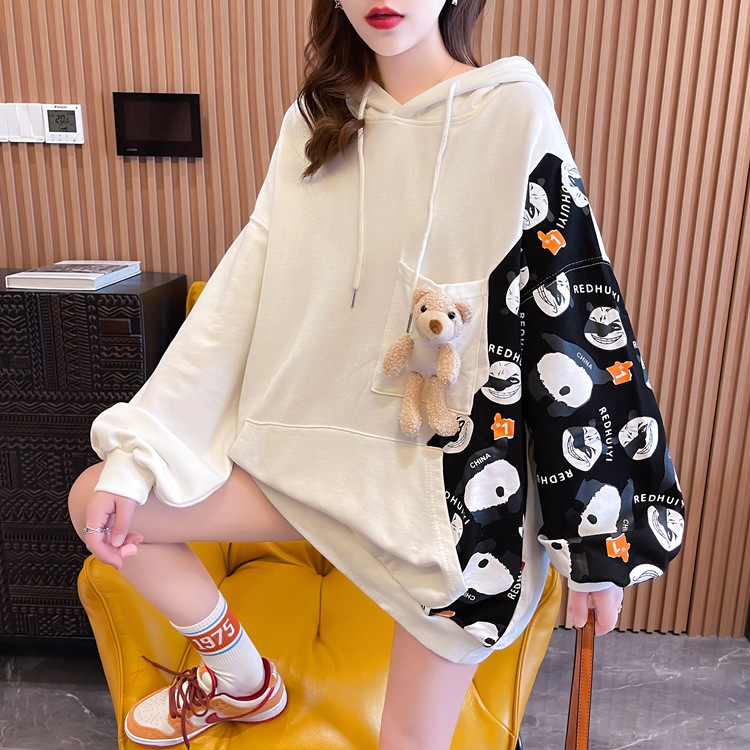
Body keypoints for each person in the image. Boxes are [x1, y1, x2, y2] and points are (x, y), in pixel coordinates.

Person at [68, 1, 685, 749]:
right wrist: (143, 454)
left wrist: (598, 552)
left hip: (443, 498)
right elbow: (240, 292)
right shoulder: (317, 123)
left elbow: (573, 310)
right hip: (309, 464)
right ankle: (241, 679)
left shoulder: (511, 109)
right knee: (99, 499)